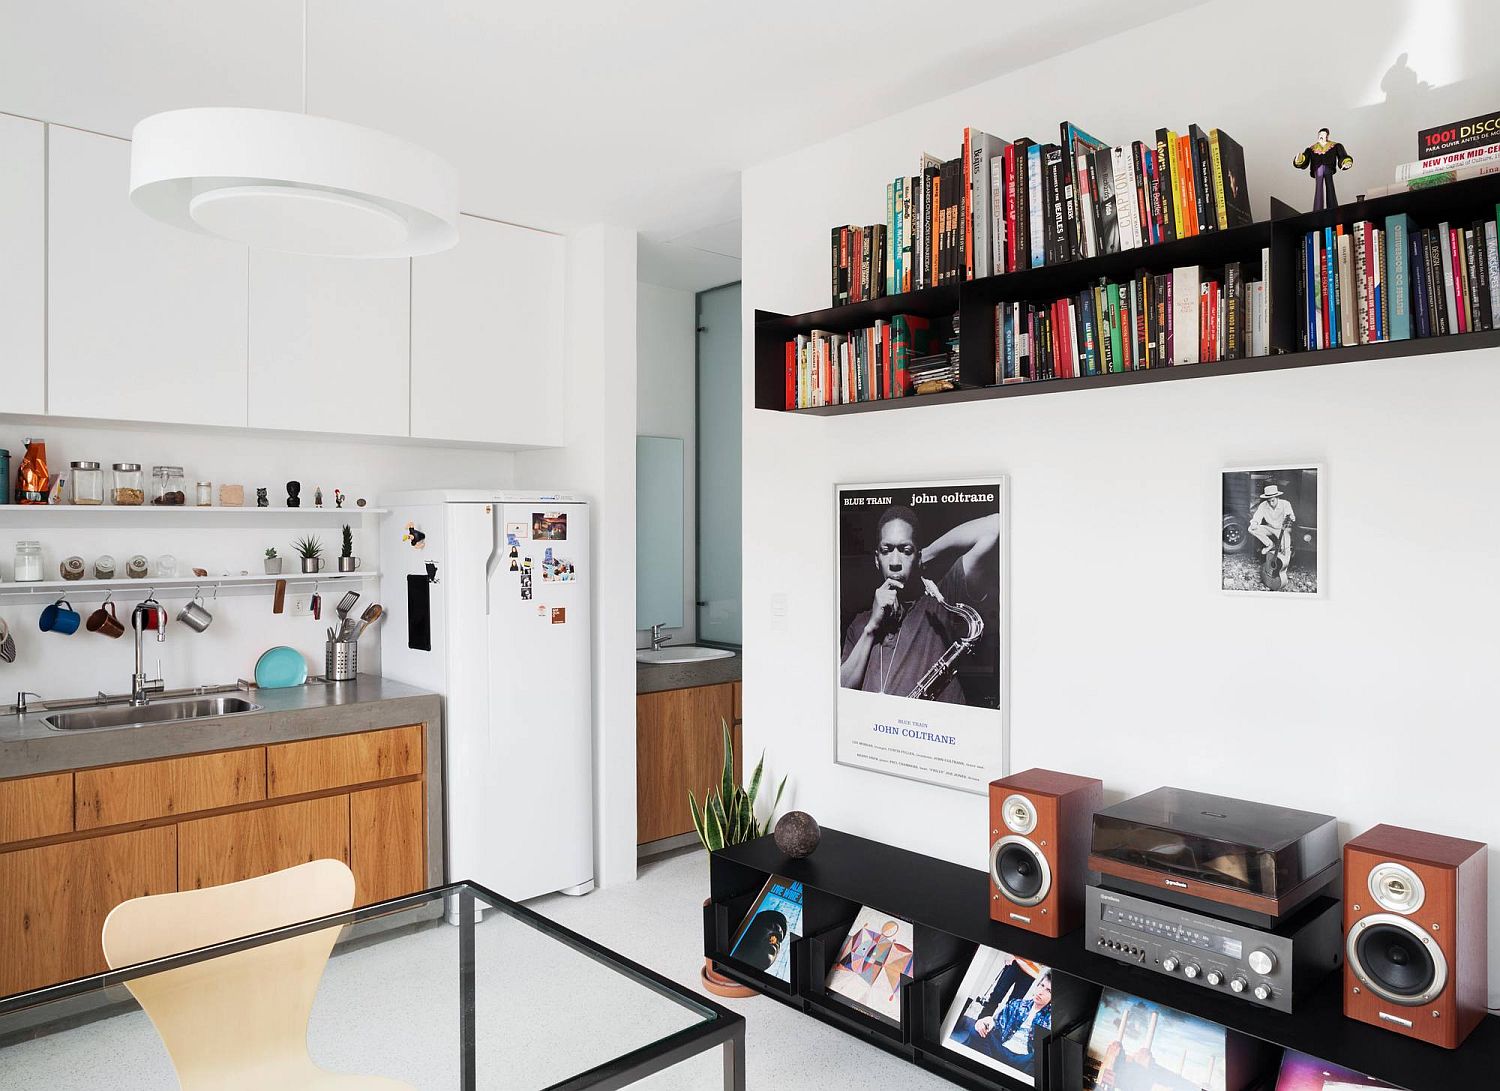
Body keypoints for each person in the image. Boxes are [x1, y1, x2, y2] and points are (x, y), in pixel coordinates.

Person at [840, 505, 1000, 704]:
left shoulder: (941, 602)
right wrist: (871, 628)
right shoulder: (860, 624)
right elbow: (840, 692)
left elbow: (996, 525)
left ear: (917, 556)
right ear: (876, 559)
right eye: (886, 550)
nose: (895, 562)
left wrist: (928, 554)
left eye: (905, 550)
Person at [951, 979, 1052, 1074]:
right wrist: (987, 1021)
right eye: (1042, 985)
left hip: (1024, 1058)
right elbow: (997, 1023)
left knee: (1040, 1061)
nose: (1041, 992)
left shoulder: (1051, 1019)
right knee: (977, 1030)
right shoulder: (1017, 1004)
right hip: (1001, 1047)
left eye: (1048, 990)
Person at [1292, 128, 1354, 211]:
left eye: (1323, 135)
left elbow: (1342, 155)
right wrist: (1299, 160)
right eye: (1320, 135)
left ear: (1327, 136)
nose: (1321, 136)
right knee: (1318, 188)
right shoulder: (1312, 149)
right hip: (1317, 169)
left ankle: (1333, 209)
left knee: (1330, 187)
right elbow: (1304, 158)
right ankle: (1317, 210)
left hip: (1329, 168)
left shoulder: (1335, 146)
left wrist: (1346, 162)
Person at [1246, 483, 1296, 567]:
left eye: (1273, 500)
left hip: (1282, 529)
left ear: (1277, 497)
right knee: (1251, 528)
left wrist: (1289, 518)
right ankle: (1270, 544)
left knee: (1285, 550)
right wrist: (1254, 523)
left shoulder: (1285, 504)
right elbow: (1257, 517)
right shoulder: (1263, 505)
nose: (1271, 503)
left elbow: (1291, 517)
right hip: (1270, 527)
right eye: (1268, 501)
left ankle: (1282, 568)